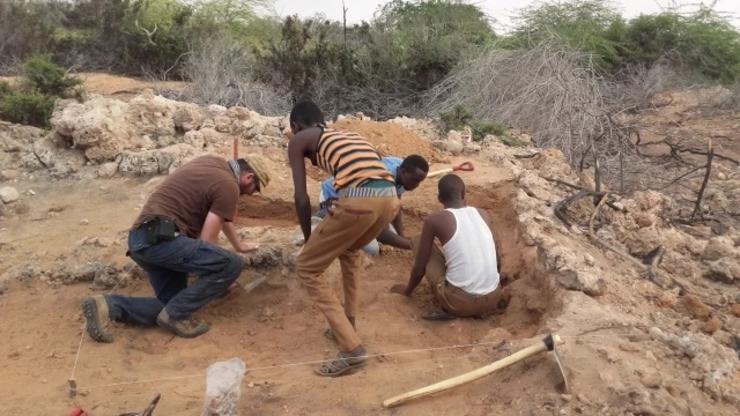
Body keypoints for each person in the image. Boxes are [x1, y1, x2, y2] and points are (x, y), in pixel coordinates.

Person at [81, 154, 270, 342]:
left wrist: (238, 244)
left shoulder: (212, 163)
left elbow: (221, 214)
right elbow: (207, 241)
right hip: (165, 242)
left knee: (174, 303)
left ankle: (109, 305)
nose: (253, 193)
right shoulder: (229, 185)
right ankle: (174, 316)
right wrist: (221, 277)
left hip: (141, 239)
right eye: (256, 188)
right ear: (249, 177)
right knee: (231, 264)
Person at [288, 101, 400, 377]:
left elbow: (301, 198)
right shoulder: (349, 136)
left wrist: (308, 239)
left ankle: (352, 351)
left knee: (306, 268)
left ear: (296, 126)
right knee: (349, 252)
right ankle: (348, 321)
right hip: (391, 199)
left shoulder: (300, 138)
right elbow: (372, 171)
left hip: (361, 199)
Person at [391, 174, 509, 320]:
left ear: (439, 198)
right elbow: (497, 257)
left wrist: (407, 291)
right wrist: (493, 279)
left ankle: (451, 306)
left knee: (418, 240)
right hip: (493, 297)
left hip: (459, 304)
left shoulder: (434, 220)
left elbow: (419, 269)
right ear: (464, 194)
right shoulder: (483, 214)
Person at [316, 154, 429, 254]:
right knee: (372, 249)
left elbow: (395, 204)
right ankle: (324, 219)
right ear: (403, 172)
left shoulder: (402, 168)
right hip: (334, 197)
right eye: (415, 180)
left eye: (419, 181)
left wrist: (401, 236)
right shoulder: (382, 184)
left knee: (393, 235)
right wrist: (411, 246)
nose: (417, 185)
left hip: (358, 198)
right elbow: (381, 233)